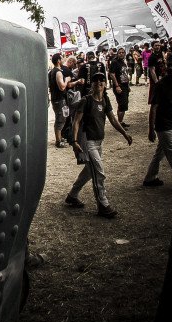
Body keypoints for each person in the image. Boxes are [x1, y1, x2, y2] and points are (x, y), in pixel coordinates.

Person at [65, 71, 133, 218]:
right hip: (88, 142)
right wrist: (75, 141)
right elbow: (76, 121)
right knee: (99, 173)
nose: (99, 82)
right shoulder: (86, 100)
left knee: (90, 172)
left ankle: (72, 195)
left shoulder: (105, 100)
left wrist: (124, 133)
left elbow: (113, 120)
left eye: (102, 80)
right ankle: (103, 204)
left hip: (99, 142)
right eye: (96, 80)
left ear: (105, 83)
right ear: (92, 84)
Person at [143, 59, 172, 188]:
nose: (170, 68)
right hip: (162, 124)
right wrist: (151, 129)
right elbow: (153, 107)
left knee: (161, 152)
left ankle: (149, 178)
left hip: (171, 122)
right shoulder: (160, 85)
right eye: (168, 65)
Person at [48, 52, 84, 149]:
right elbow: (62, 87)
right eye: (62, 58)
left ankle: (59, 138)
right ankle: (58, 141)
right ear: (59, 61)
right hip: (59, 99)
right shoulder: (58, 72)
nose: (64, 59)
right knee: (61, 119)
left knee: (60, 118)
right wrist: (67, 79)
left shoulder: (52, 71)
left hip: (56, 99)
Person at [109, 47, 131, 127]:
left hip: (125, 85)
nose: (121, 54)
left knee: (124, 104)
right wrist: (117, 86)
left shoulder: (123, 62)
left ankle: (120, 122)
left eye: (123, 52)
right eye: (120, 52)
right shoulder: (114, 62)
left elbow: (125, 74)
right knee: (122, 104)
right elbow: (112, 74)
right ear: (117, 54)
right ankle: (119, 123)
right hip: (119, 86)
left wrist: (128, 85)